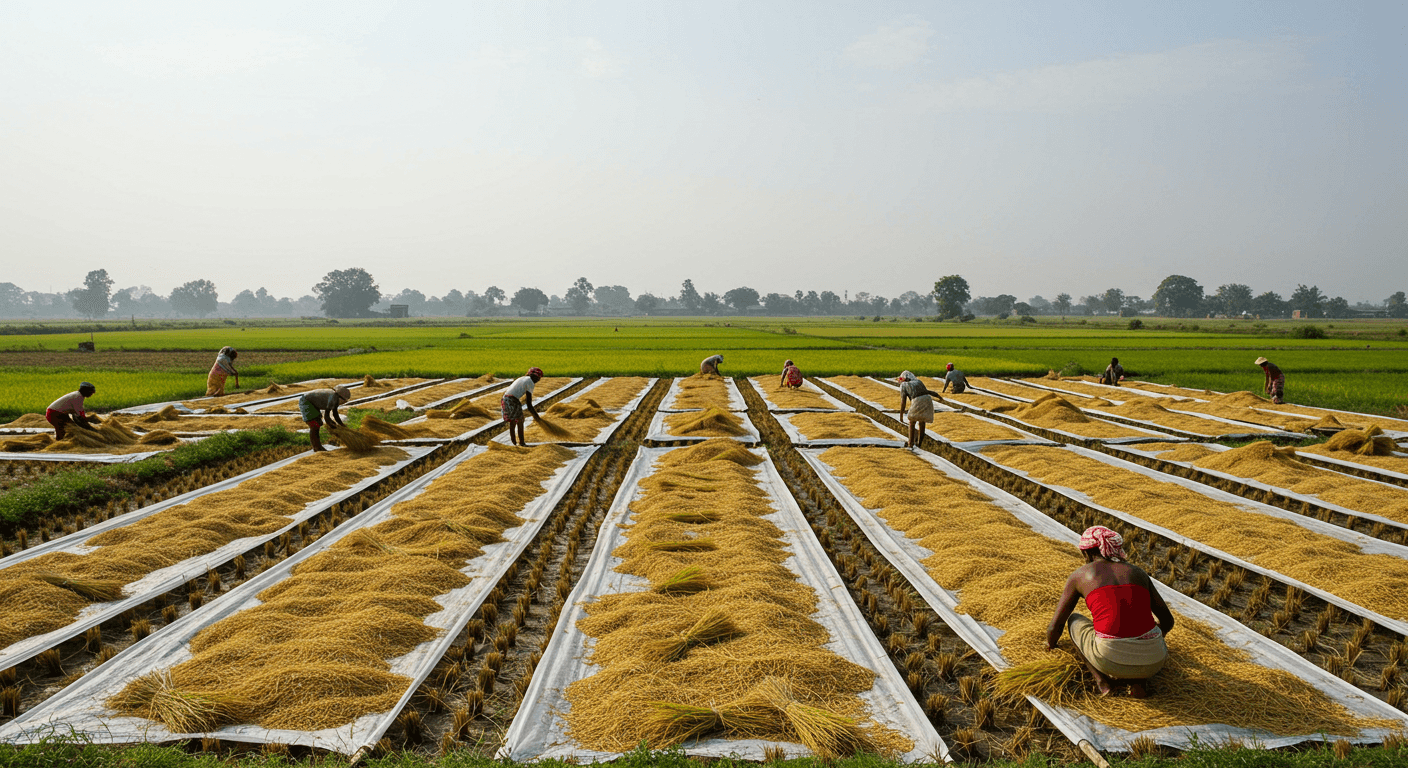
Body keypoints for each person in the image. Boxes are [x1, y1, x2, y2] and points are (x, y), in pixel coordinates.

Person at [1046, 525, 1173, 699]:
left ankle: (1103, 683)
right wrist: (1150, 639)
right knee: (1141, 632)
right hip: (1155, 660)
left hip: (1109, 660)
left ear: (1087, 553)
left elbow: (1055, 626)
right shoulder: (1138, 573)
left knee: (1074, 620)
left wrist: (1050, 645)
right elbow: (1168, 621)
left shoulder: (1080, 575)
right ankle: (1138, 682)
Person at [299, 385, 351, 452]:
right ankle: (316, 448)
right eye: (344, 400)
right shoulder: (333, 398)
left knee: (319, 423)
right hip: (306, 402)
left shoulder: (335, 397)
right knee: (314, 425)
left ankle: (318, 446)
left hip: (312, 403)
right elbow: (326, 417)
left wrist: (342, 425)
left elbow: (335, 413)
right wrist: (331, 424)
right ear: (341, 397)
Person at [502, 367, 544, 447]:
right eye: (538, 378)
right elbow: (529, 404)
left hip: (506, 398)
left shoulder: (523, 378)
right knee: (520, 420)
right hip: (511, 399)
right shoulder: (530, 382)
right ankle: (521, 443)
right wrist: (537, 417)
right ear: (534, 376)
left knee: (514, 420)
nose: (538, 380)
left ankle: (514, 441)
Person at [896, 371, 936, 449]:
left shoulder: (904, 385)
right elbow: (927, 392)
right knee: (922, 420)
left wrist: (901, 416)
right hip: (928, 399)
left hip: (917, 400)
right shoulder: (918, 381)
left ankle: (910, 443)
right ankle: (919, 443)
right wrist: (938, 396)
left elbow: (903, 402)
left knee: (912, 421)